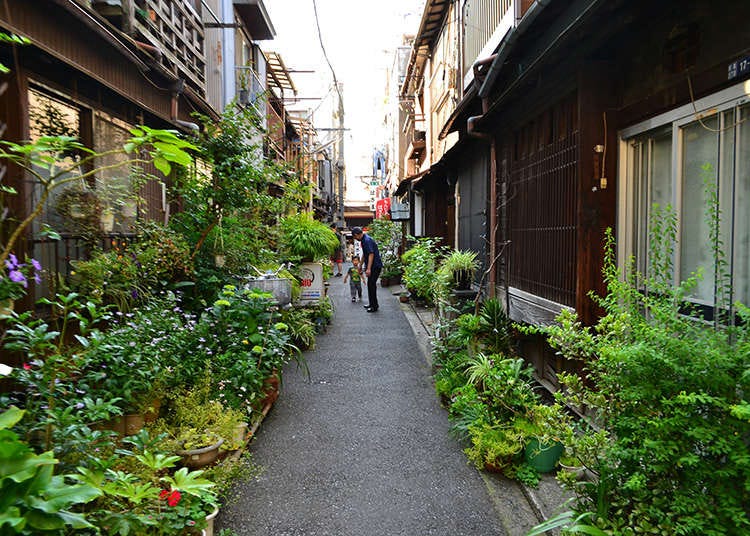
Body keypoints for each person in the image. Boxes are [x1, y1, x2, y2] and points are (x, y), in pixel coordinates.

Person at [351, 226, 382, 312]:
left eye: (355, 237)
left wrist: (368, 268)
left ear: (357, 234)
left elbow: (371, 254)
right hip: (373, 266)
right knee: (370, 285)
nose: (355, 239)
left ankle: (374, 306)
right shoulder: (364, 240)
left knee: (371, 285)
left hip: (375, 266)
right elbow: (365, 254)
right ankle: (372, 304)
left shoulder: (367, 240)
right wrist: (360, 265)